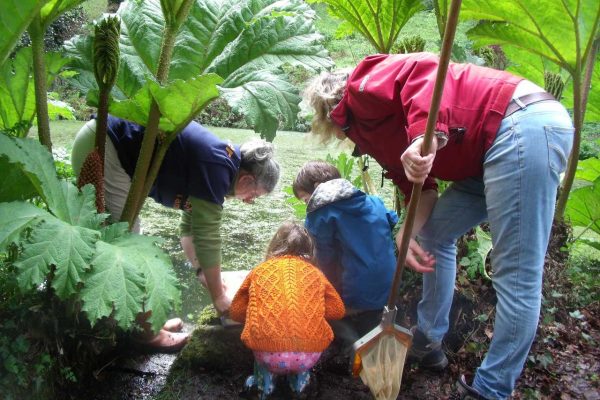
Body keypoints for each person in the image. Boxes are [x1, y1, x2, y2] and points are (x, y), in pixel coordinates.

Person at [303, 52, 574, 400]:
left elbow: (425, 75)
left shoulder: (362, 83)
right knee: (433, 235)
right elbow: (422, 190)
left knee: (518, 273)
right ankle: (429, 341)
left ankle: (491, 390)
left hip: (519, 124)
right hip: (486, 154)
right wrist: (406, 231)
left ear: (328, 112)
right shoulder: (373, 138)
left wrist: (421, 139)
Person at [71, 115, 280, 352]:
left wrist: (201, 269)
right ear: (246, 179)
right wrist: (220, 297)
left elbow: (188, 228)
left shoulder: (221, 165)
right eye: (255, 195)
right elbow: (207, 236)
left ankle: (140, 322)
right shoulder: (218, 167)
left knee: (126, 238)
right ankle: (145, 333)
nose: (249, 202)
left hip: (104, 142)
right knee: (128, 244)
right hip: (106, 145)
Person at [229, 221, 345, 399]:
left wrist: (259, 309)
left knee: (261, 340)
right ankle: (298, 386)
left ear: (274, 245)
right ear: (309, 250)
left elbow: (236, 312)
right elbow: (337, 310)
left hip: (267, 354)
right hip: (308, 355)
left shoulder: (259, 271)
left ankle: (263, 387)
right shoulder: (316, 274)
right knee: (300, 361)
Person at [293, 160, 399, 352]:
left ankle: (348, 339)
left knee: (317, 298)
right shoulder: (374, 201)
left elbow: (323, 260)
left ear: (317, 188)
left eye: (305, 199)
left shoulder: (320, 214)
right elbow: (393, 219)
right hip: (389, 289)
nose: (307, 204)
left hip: (356, 293)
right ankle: (368, 333)